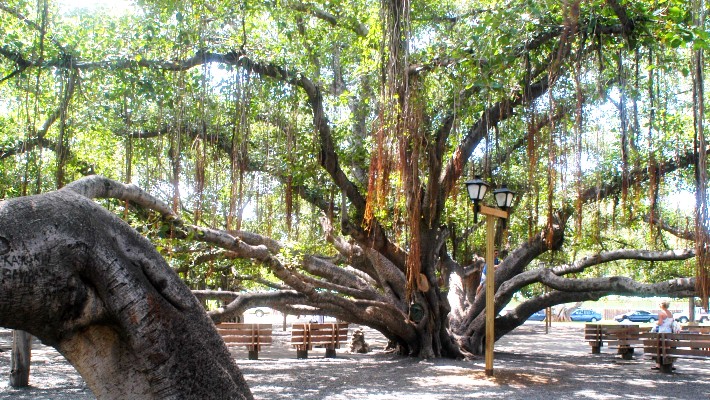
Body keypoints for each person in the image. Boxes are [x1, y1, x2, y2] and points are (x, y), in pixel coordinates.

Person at [651, 300, 674, 370]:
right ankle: (671, 364)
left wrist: (656, 323)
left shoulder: (661, 313)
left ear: (661, 306)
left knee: (660, 348)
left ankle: (658, 365)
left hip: (662, 332)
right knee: (668, 347)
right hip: (669, 331)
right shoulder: (670, 313)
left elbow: (660, 323)